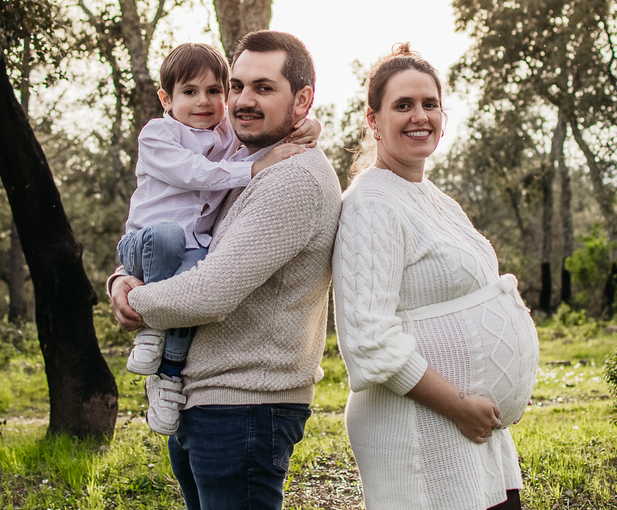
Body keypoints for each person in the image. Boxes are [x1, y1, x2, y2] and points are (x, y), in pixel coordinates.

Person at [107, 30, 342, 510]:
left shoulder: (291, 176)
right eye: (236, 86)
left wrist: (134, 300)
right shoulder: (243, 157)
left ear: (301, 100)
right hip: (210, 397)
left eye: (263, 88)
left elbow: (208, 293)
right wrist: (120, 279)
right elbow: (175, 228)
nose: (242, 100)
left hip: (246, 404)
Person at [332, 44, 539, 510]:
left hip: (470, 431)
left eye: (430, 104)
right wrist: (458, 405)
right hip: (419, 429)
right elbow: (368, 340)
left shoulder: (434, 198)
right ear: (373, 120)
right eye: (403, 105)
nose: (419, 116)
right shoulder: (371, 205)